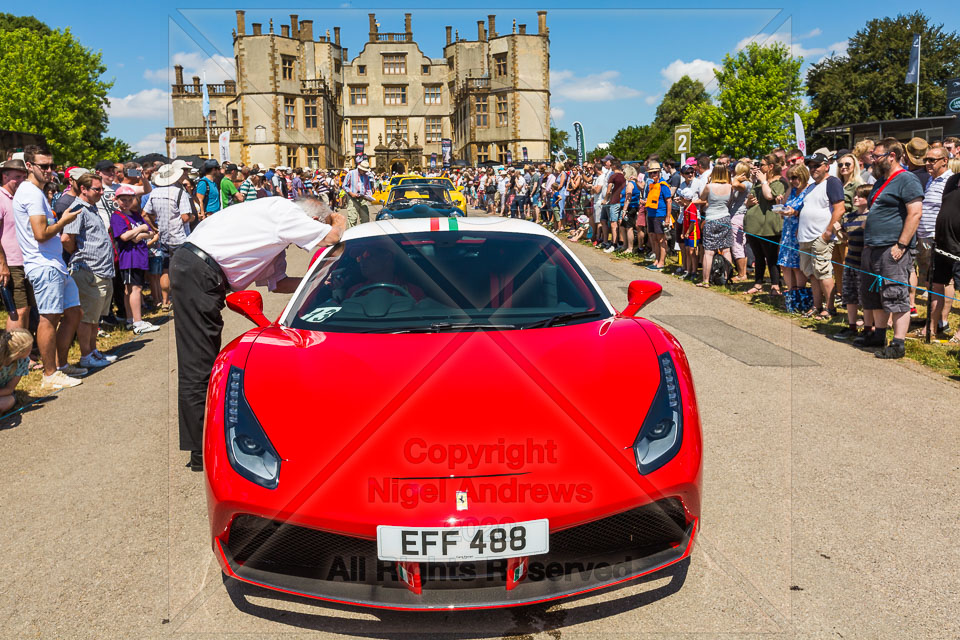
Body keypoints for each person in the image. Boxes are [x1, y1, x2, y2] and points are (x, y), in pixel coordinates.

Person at [170, 197, 346, 471]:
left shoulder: (275, 231)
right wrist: (338, 219)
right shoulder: (284, 212)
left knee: (201, 360)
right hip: (199, 269)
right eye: (315, 228)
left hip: (199, 267)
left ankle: (201, 446)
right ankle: (200, 454)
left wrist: (326, 282)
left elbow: (279, 284)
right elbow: (333, 236)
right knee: (199, 364)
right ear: (312, 221)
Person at [13, 146, 86, 388]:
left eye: (51, 165)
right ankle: (50, 374)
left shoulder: (36, 192)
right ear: (29, 166)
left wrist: (60, 217)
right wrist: (64, 221)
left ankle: (61, 366)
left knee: (74, 312)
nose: (49, 170)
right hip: (43, 264)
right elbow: (41, 233)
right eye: (43, 166)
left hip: (54, 263)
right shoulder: (32, 194)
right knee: (49, 317)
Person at [855, 138, 924, 359]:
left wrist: (902, 244)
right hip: (873, 246)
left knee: (895, 294)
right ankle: (878, 335)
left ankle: (898, 343)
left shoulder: (907, 179)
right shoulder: (880, 181)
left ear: (892, 156)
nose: (873, 160)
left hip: (893, 247)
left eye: (877, 156)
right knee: (873, 294)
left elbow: (915, 213)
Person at [60, 173, 117, 369]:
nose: (101, 192)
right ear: (83, 189)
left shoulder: (91, 208)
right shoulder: (77, 208)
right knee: (87, 317)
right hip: (88, 270)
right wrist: (79, 254)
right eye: (97, 189)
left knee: (95, 317)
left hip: (101, 270)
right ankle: (86, 355)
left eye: (101, 189)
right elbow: (66, 239)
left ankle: (92, 351)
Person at [911, 145, 953, 339]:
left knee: (941, 281)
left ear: (944, 160)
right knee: (929, 280)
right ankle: (934, 319)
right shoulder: (930, 180)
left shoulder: (949, 181)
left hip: (938, 239)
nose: (927, 163)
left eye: (932, 160)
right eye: (926, 160)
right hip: (924, 236)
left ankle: (939, 322)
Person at [796, 152, 845, 319]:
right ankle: (816, 306)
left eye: (816, 165)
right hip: (805, 236)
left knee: (823, 272)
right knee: (811, 273)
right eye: (810, 166)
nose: (813, 169)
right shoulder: (811, 186)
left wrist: (828, 233)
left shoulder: (832, 182)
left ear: (826, 166)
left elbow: (840, 208)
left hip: (820, 236)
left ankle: (830, 308)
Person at [143, 163, 194, 311]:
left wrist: (155, 227)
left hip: (163, 237)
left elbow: (145, 214)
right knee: (182, 269)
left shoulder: (155, 193)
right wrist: (191, 218)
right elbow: (185, 217)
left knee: (165, 270)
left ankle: (165, 301)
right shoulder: (180, 193)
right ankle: (183, 300)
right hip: (180, 237)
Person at [112, 185, 160, 335]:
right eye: (123, 200)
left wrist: (139, 235)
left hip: (139, 254)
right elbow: (125, 237)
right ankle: (137, 322)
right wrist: (139, 230)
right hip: (129, 257)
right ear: (116, 200)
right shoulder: (117, 216)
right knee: (134, 289)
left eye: (129, 200)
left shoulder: (135, 214)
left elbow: (151, 232)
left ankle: (131, 319)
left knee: (131, 289)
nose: (126, 203)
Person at [832, 184, 873, 340]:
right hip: (850, 262)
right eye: (855, 195)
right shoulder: (849, 217)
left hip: (865, 265)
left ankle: (869, 327)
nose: (856, 198)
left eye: (860, 196)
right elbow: (846, 241)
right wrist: (838, 231)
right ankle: (852, 326)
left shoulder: (871, 217)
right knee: (850, 296)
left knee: (866, 298)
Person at [0, 159, 34, 331]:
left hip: (26, 261)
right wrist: (2, 264)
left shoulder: (19, 198)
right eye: (17, 177)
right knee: (17, 311)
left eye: (23, 177)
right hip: (11, 263)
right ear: (4, 176)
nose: (21, 181)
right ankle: (12, 354)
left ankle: (24, 353)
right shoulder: (1, 197)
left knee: (25, 309)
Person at [744, 154, 785, 295]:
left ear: (771, 166)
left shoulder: (779, 182)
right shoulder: (759, 181)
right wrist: (748, 202)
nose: (759, 167)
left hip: (769, 227)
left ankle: (775, 285)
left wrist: (763, 181)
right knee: (758, 256)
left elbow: (769, 196)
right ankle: (758, 283)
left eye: (762, 165)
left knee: (772, 258)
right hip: (753, 225)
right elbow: (748, 200)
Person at [778, 164, 813, 313]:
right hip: (787, 231)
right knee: (785, 263)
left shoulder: (809, 190)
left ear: (803, 176)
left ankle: (800, 294)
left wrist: (796, 213)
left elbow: (809, 211)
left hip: (800, 231)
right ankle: (790, 294)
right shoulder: (791, 190)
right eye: (790, 178)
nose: (792, 181)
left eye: (795, 178)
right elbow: (783, 208)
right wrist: (781, 206)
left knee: (798, 265)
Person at [696, 165, 734, 288]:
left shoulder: (709, 186)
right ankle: (727, 278)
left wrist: (708, 182)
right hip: (725, 218)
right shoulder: (730, 187)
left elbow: (702, 198)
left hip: (711, 218)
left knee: (708, 251)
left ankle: (706, 280)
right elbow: (730, 201)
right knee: (726, 249)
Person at [643, 161, 672, 269]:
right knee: (654, 238)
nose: (652, 175)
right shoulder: (652, 184)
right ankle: (656, 260)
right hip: (651, 214)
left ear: (659, 172)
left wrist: (667, 218)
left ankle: (661, 262)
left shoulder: (663, 185)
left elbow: (669, 201)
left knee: (661, 239)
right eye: (651, 173)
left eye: (655, 173)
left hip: (660, 214)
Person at [728, 162, 753, 282]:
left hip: (739, 216)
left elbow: (734, 185)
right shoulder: (743, 183)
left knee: (737, 246)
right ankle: (742, 272)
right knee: (740, 245)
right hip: (736, 215)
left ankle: (742, 274)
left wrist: (736, 178)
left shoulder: (746, 184)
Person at [0, 328, 33, 412]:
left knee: (9, 401)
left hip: (3, 393)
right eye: (30, 348)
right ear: (20, 352)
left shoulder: (23, 362)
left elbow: (9, 389)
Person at [342, 160, 376, 227]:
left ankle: (364, 234)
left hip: (362, 199)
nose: (365, 172)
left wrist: (369, 197)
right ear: (360, 168)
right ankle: (351, 235)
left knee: (365, 219)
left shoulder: (366, 176)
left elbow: (368, 188)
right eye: (364, 170)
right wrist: (351, 193)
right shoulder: (351, 173)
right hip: (352, 198)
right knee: (352, 219)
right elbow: (344, 185)